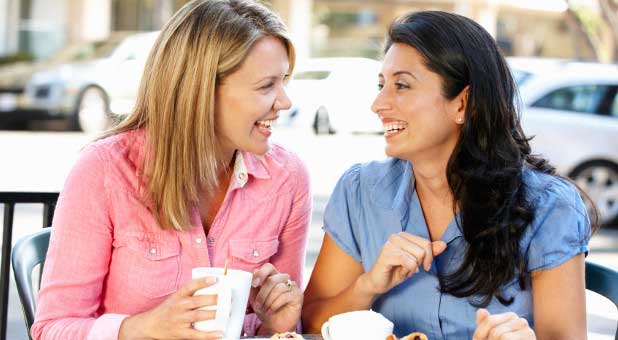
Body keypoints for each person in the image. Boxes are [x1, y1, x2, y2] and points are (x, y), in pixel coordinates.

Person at [302, 11, 595, 340]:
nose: (378, 104)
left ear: (463, 104)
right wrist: (367, 286)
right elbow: (311, 324)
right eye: (381, 85)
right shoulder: (359, 192)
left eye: (401, 85)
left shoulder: (549, 208)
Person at [31, 1, 311, 339]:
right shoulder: (103, 171)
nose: (285, 102)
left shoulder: (287, 178)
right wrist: (142, 328)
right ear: (202, 91)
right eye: (267, 85)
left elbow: (280, 330)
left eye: (285, 81)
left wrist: (276, 323)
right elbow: (51, 329)